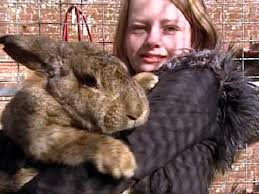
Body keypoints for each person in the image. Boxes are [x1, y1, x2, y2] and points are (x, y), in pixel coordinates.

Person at [1, 0, 259, 193]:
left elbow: (117, 162)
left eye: (169, 28)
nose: (153, 40)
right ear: (123, 36)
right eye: (139, 28)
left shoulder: (198, 79)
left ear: (197, 34)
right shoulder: (124, 85)